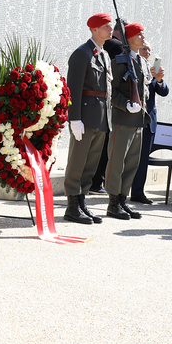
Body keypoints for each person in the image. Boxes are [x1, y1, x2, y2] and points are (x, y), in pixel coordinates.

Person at [63, 13, 113, 224]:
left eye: (110, 26)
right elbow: (73, 88)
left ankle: (81, 201)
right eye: (106, 26)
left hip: (100, 117)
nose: (110, 30)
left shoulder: (104, 55)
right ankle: (72, 205)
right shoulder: (82, 53)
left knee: (91, 163)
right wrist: (74, 118)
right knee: (78, 162)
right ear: (94, 30)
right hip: (84, 116)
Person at [105, 23, 149, 220]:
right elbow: (111, 90)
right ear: (129, 38)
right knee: (117, 162)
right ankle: (113, 202)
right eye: (139, 35)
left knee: (132, 163)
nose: (143, 37)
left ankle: (123, 199)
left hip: (138, 119)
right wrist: (125, 104)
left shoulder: (141, 61)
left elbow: (143, 90)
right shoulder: (120, 61)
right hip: (122, 118)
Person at [89, 19, 126, 194]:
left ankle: (92, 182)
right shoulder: (118, 47)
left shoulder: (105, 48)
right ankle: (96, 182)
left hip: (101, 101)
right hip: (108, 102)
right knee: (103, 145)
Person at [130, 42, 168, 205]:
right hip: (132, 119)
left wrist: (159, 80)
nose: (147, 52)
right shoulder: (132, 65)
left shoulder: (152, 71)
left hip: (148, 121)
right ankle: (119, 191)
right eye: (144, 49)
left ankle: (138, 192)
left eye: (149, 50)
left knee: (143, 159)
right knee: (128, 157)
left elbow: (164, 91)